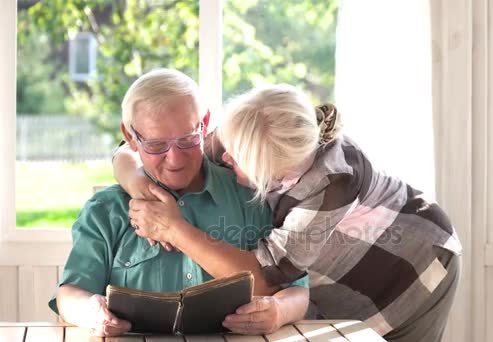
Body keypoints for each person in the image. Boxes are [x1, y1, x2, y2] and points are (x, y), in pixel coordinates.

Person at [114, 83, 462, 341]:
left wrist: (175, 230)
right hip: (334, 273)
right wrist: (133, 179)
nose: (223, 158)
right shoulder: (251, 130)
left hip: (415, 268)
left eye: (238, 161)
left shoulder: (332, 184)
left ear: (275, 173)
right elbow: (140, 150)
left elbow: (263, 278)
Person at [49, 70, 309, 337]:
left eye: (187, 140)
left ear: (204, 124)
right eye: (156, 145)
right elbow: (68, 294)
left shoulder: (249, 196)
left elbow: (297, 290)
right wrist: (90, 312)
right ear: (130, 137)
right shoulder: (106, 211)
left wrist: (279, 310)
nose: (175, 160)